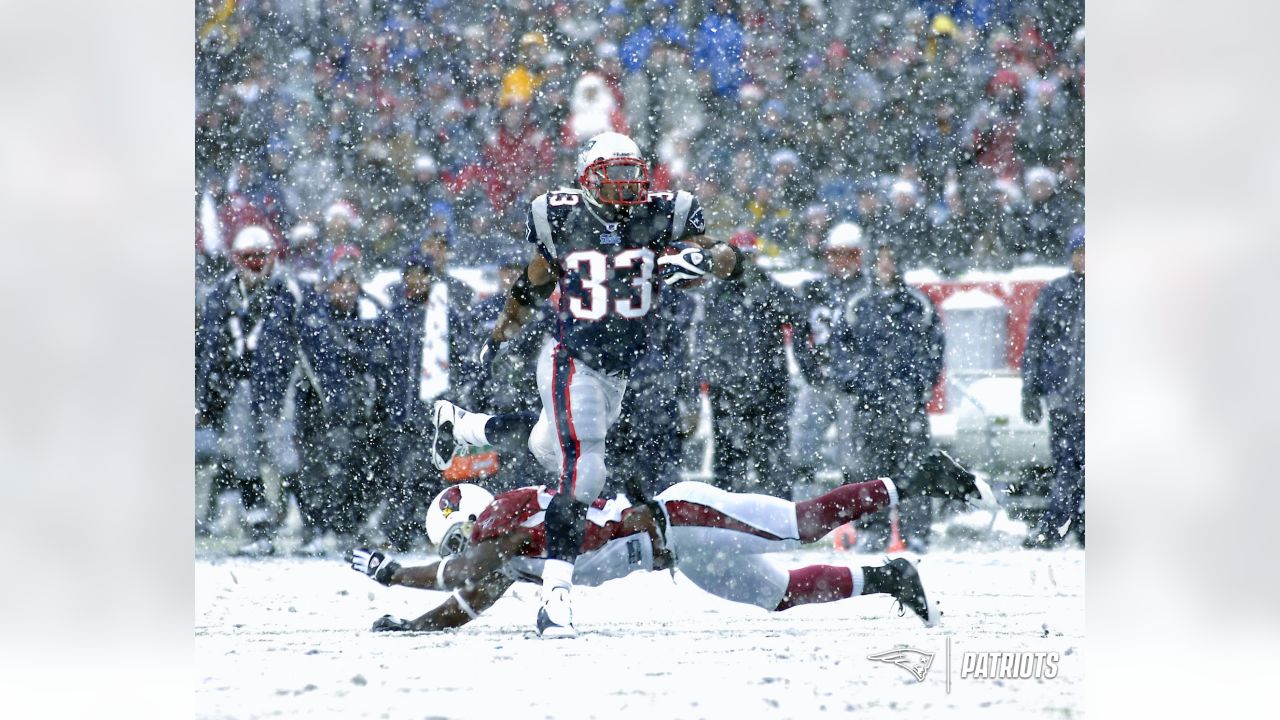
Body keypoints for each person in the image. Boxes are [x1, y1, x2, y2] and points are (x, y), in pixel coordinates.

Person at [433, 131, 746, 637]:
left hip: (618, 371)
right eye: (613, 175)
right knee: (584, 473)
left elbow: (730, 258)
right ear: (586, 178)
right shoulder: (559, 216)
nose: (626, 186)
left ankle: (465, 427)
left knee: (547, 443)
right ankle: (556, 599)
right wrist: (499, 335)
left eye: (632, 174)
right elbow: (532, 282)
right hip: (571, 357)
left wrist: (706, 260)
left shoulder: (665, 213)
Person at [345, 449, 990, 633]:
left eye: (461, 536)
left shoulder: (505, 517)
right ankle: (889, 578)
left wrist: (398, 571)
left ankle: (911, 480)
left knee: (803, 525)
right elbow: (465, 602)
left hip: (677, 517)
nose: (464, 549)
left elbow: (467, 567)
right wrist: (410, 620)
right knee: (781, 596)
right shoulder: (505, 556)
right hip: (673, 556)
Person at [195, 225, 304, 555]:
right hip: (236, 386)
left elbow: (305, 341)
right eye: (248, 258)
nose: (255, 264)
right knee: (243, 457)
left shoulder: (289, 290)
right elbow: (208, 347)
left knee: (283, 455)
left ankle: (302, 519)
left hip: (278, 386)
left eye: (260, 257)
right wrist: (206, 393)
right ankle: (259, 528)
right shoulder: (221, 293)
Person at [831, 239, 945, 552]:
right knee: (869, 474)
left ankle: (916, 533)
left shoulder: (918, 304)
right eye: (880, 259)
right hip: (870, 406)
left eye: (891, 259)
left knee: (914, 472)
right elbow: (840, 348)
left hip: (908, 405)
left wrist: (920, 385)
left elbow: (935, 349)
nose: (886, 266)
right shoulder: (857, 305)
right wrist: (855, 382)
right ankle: (872, 532)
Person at [698, 231, 808, 499]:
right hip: (729, 391)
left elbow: (798, 312)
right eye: (740, 255)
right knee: (729, 462)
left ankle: (776, 522)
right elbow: (703, 340)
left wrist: (767, 289)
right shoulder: (715, 293)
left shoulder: (766, 287)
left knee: (773, 461)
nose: (745, 261)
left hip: (768, 389)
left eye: (750, 255)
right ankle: (726, 521)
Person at [381, 248, 476, 550]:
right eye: (411, 274)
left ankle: (434, 530)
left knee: (435, 477)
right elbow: (382, 363)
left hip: (437, 415)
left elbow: (465, 358)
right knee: (399, 477)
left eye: (422, 274)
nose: (417, 280)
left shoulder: (448, 315)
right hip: (401, 410)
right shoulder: (394, 316)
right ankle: (398, 532)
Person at [791, 222, 870, 491]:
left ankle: (853, 514)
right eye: (835, 254)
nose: (840, 261)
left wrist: (859, 375)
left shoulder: (867, 293)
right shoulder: (814, 289)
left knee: (852, 457)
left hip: (852, 386)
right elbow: (800, 336)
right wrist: (809, 370)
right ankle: (803, 512)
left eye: (847, 254)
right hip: (819, 382)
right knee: (801, 447)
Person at [1021, 226, 1085, 548]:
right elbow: (1035, 344)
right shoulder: (1054, 294)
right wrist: (1030, 390)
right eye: (1080, 253)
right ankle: (1059, 525)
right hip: (1064, 398)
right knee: (1066, 465)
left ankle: (1074, 525)